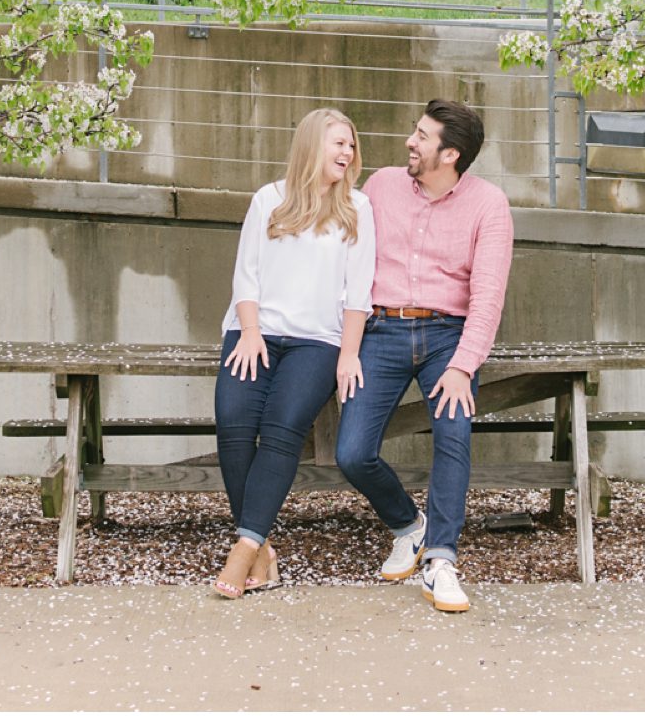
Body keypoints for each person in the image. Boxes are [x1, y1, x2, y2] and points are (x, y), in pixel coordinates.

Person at [335, 98, 512, 613]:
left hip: (448, 336)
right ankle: (409, 526)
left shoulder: (489, 204)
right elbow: (346, 257)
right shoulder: (382, 186)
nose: (409, 142)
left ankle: (440, 561)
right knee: (352, 453)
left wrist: (462, 366)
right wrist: (348, 345)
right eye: (415, 131)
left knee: (453, 434)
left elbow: (488, 295)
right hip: (382, 330)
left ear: (450, 154)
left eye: (422, 137)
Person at [211, 107, 375, 598]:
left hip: (318, 342)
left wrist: (349, 354)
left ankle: (244, 548)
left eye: (351, 144)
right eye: (338, 143)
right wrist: (250, 332)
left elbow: (358, 293)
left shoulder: (358, 208)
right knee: (234, 424)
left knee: (282, 429)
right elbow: (246, 275)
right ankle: (263, 549)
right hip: (254, 331)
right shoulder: (269, 199)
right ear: (311, 145)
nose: (347, 152)